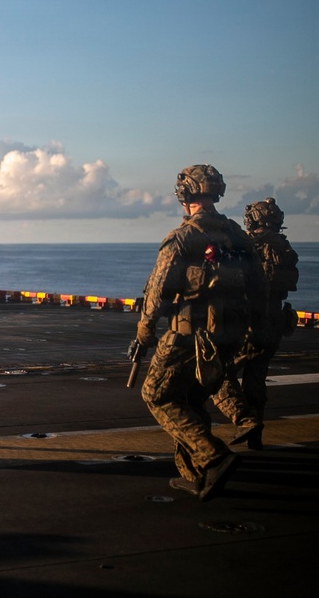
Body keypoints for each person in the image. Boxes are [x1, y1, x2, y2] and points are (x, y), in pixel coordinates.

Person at [131, 164, 267, 500]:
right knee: (190, 399)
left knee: (157, 394)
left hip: (189, 335)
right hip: (229, 337)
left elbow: (158, 292)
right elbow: (259, 289)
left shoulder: (183, 238)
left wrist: (144, 332)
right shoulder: (238, 236)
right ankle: (196, 474)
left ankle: (213, 456)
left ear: (184, 193)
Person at [213, 198, 299, 450]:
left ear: (253, 219)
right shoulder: (285, 248)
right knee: (256, 379)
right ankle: (255, 437)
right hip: (274, 323)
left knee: (218, 373)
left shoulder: (247, 245)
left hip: (247, 323)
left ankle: (243, 418)